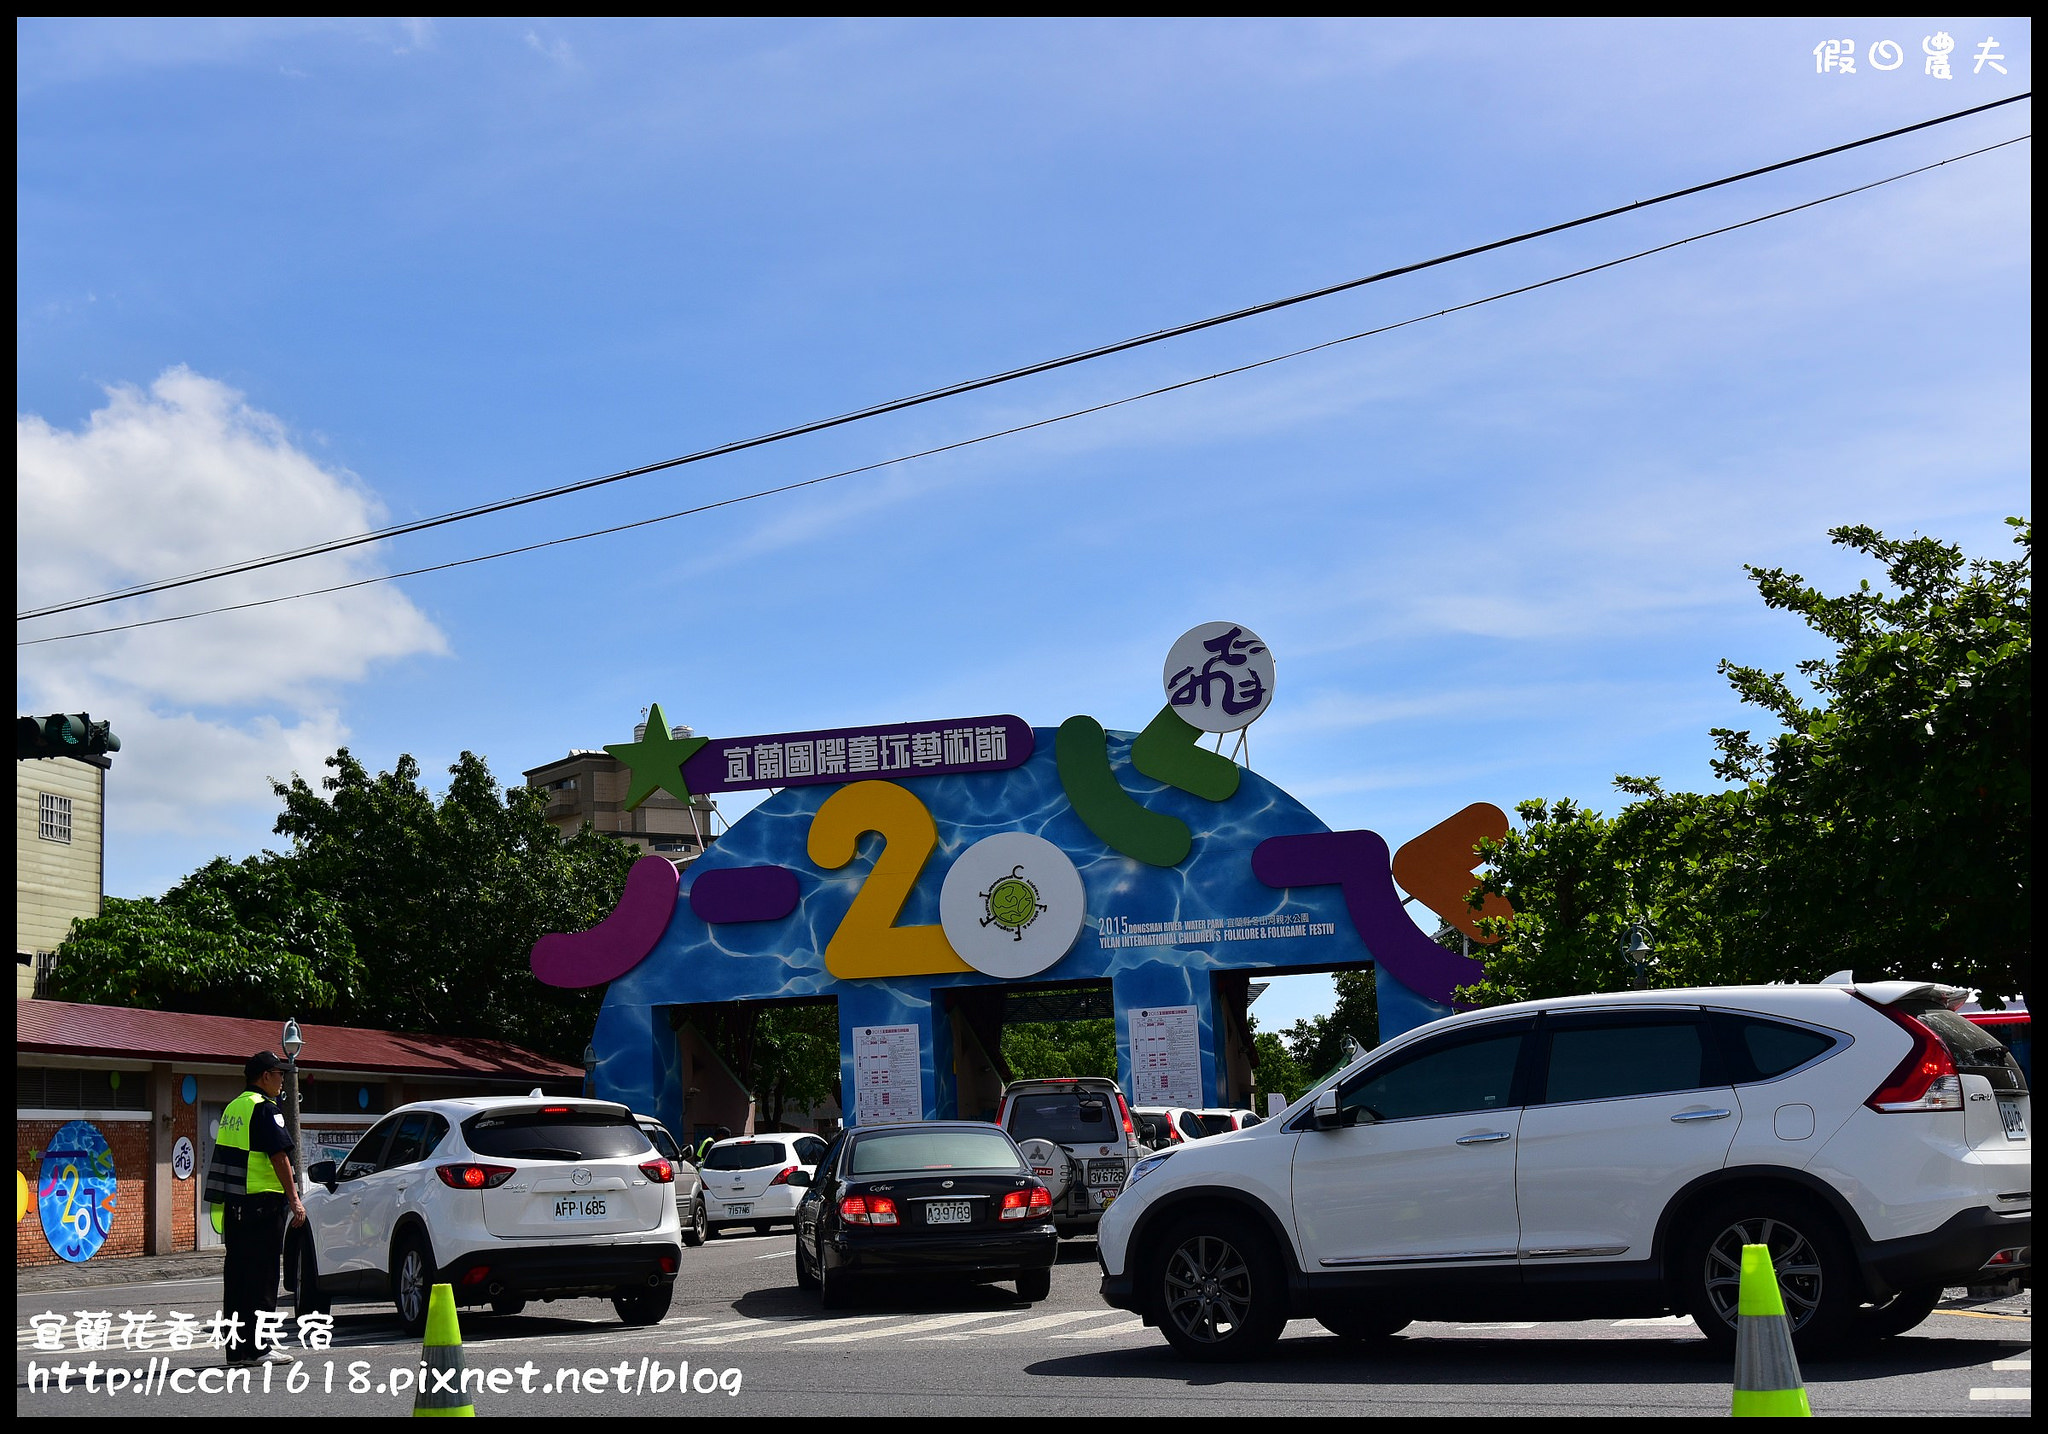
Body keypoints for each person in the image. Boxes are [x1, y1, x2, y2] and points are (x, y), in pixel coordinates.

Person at [201, 1051, 307, 1366]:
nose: (283, 1079)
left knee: (237, 1279)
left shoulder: (234, 1107)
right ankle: (259, 1348)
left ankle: (237, 1351)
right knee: (262, 1279)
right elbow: (279, 1156)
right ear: (264, 1076)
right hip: (263, 1204)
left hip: (235, 1206)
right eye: (279, 1073)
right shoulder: (264, 1109)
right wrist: (294, 1198)